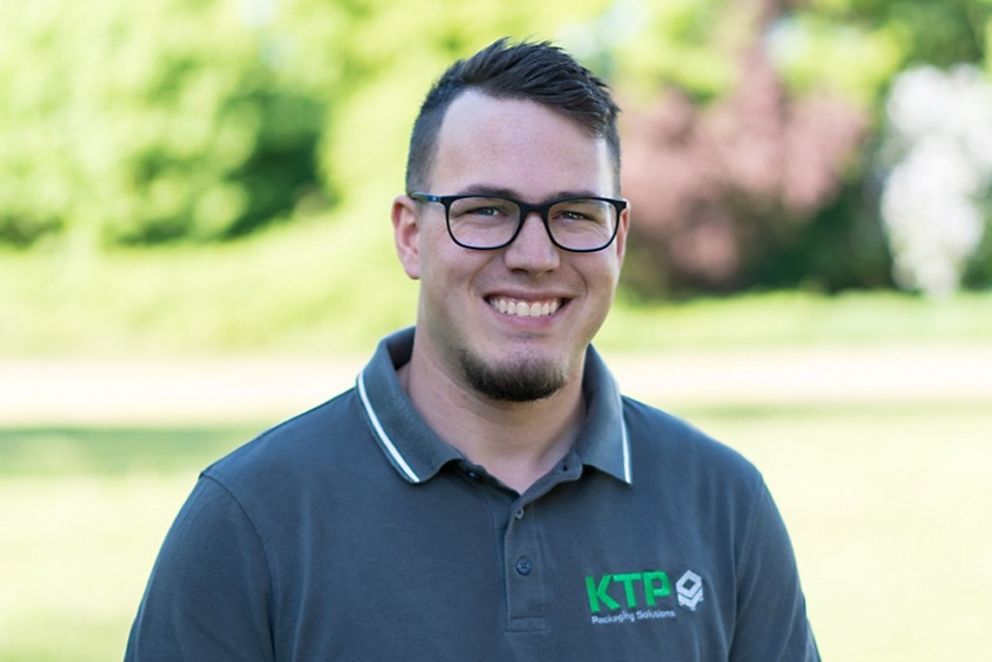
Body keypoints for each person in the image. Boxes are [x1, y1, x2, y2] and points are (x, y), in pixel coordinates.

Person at [126, 38, 819, 661]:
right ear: (410, 236)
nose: (535, 255)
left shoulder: (723, 504)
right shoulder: (251, 519)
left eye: (575, 214)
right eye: (487, 210)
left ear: (619, 239)